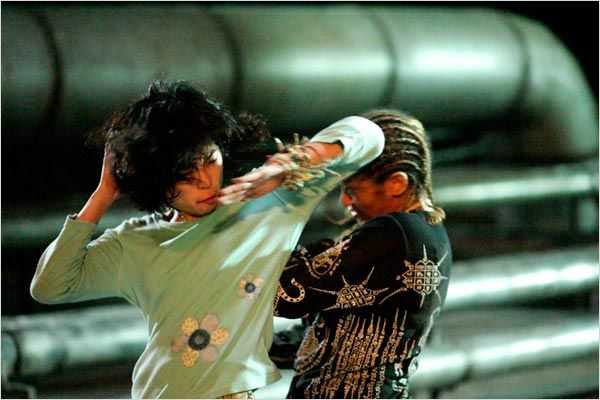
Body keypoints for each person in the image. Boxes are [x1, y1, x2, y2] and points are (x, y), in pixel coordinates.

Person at [30, 80, 385, 399]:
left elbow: (368, 135)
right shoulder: (134, 242)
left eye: (209, 159)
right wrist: (103, 193)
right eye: (186, 174)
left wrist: (289, 164)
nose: (204, 179)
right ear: (155, 180)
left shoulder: (267, 203)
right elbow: (50, 286)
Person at [274, 109, 452, 399]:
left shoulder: (395, 231)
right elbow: (330, 329)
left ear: (396, 184)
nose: (345, 200)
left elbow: (287, 294)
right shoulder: (428, 233)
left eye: (353, 189)